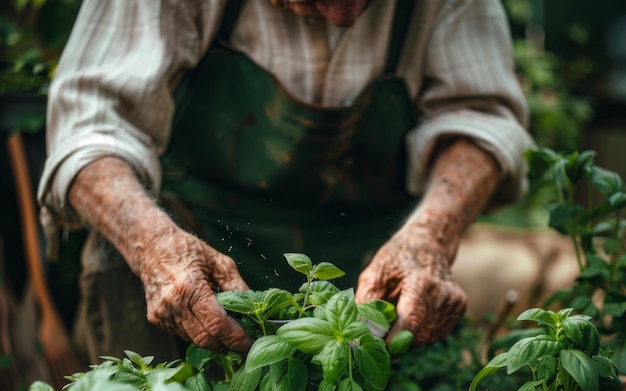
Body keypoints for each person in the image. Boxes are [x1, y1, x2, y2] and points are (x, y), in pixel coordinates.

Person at [38, 0, 533, 365]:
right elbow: (89, 127)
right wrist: (155, 248)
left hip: (369, 276)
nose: (344, 17)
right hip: (199, 254)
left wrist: (431, 236)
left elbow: (479, 116)